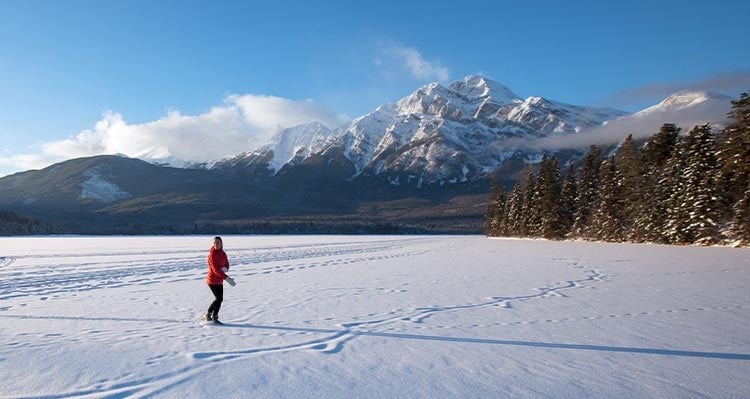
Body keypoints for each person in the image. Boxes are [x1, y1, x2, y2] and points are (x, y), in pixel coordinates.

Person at [203, 236, 235, 324]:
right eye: (214, 243)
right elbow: (215, 270)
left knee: (220, 299)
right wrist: (227, 278)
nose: (216, 244)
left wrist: (225, 269)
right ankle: (208, 313)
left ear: (221, 244)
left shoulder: (223, 254)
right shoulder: (211, 255)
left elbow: (227, 264)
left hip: (219, 280)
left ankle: (214, 316)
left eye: (218, 243)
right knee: (218, 298)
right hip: (212, 280)